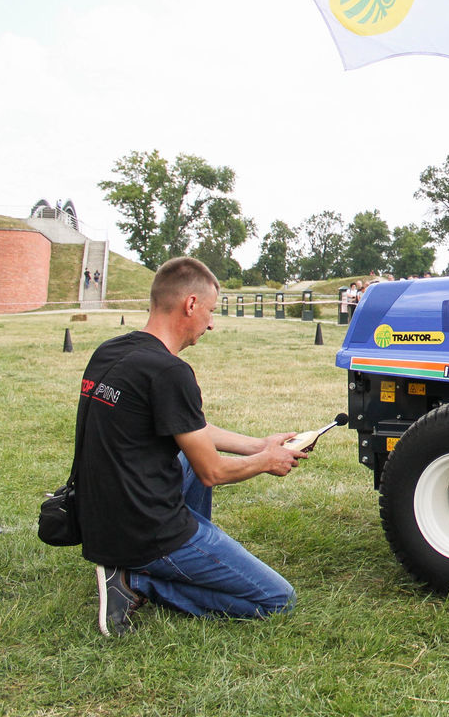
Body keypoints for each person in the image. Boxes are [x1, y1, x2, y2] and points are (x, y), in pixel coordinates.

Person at [76, 257, 304, 636]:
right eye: (211, 311)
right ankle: (137, 581)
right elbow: (211, 471)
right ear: (191, 304)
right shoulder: (169, 372)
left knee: (184, 450)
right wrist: (267, 461)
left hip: (99, 518)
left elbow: (188, 428)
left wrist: (257, 444)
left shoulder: (111, 351)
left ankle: (181, 553)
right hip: (142, 531)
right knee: (277, 600)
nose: (212, 323)